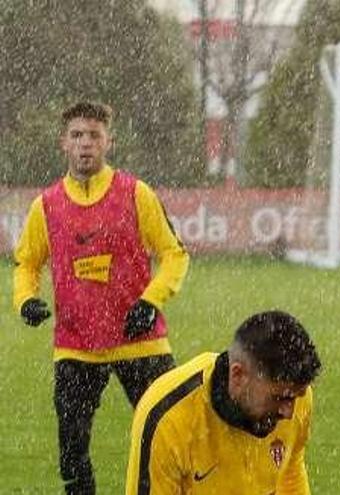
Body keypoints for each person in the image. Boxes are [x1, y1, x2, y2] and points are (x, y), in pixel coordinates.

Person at [12, 101, 189, 494]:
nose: (85, 144)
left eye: (94, 135)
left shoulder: (136, 193)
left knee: (171, 436)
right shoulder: (46, 205)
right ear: (63, 143)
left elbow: (175, 253)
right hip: (76, 346)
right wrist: (26, 300)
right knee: (73, 455)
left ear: (108, 140)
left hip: (141, 343)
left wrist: (151, 300)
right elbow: (26, 263)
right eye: (77, 135)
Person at [125, 310, 322, 494]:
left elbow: (290, 472)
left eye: (296, 396)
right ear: (238, 375)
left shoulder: (297, 397)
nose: (289, 412)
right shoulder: (167, 418)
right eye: (280, 398)